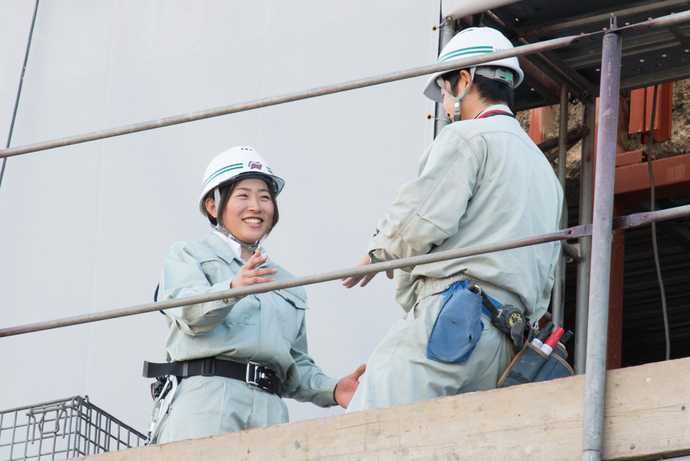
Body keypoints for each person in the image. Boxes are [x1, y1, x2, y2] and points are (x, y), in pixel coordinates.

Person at [341, 27, 563, 411]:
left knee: (371, 424)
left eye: (444, 90)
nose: (444, 104)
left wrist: (381, 251)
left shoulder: (467, 137)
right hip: (509, 340)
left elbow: (421, 218)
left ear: (464, 79)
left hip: (455, 320)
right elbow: (545, 277)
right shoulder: (545, 171)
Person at [148, 146, 365, 443]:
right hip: (207, 401)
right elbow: (188, 315)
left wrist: (333, 389)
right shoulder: (188, 254)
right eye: (243, 196)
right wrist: (233, 289)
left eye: (265, 197)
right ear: (213, 206)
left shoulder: (286, 282)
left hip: (271, 410)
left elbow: (294, 363)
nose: (256, 206)